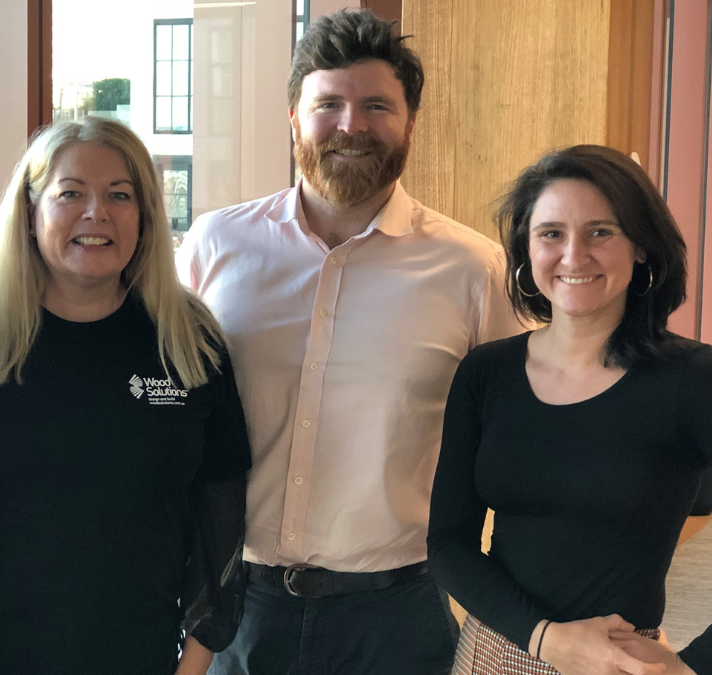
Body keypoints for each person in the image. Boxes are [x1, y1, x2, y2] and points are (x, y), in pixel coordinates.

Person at [177, 8, 526, 675]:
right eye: (328, 104)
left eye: (376, 106)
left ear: (411, 122)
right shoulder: (215, 248)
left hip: (396, 615)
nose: (351, 125)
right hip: (236, 609)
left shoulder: (472, 270)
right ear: (293, 118)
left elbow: (518, 443)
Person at [0, 116, 251, 675]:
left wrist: (197, 657)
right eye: (71, 194)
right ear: (30, 210)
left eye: (120, 195)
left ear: (146, 218)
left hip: (134, 654)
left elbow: (222, 507)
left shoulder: (188, 340)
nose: (98, 213)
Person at [427, 145, 712, 675]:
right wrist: (545, 640)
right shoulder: (486, 374)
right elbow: (448, 543)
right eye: (551, 233)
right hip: (491, 653)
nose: (574, 255)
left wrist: (694, 666)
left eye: (600, 232)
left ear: (642, 248)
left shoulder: (693, 378)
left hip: (621, 665)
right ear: (526, 250)